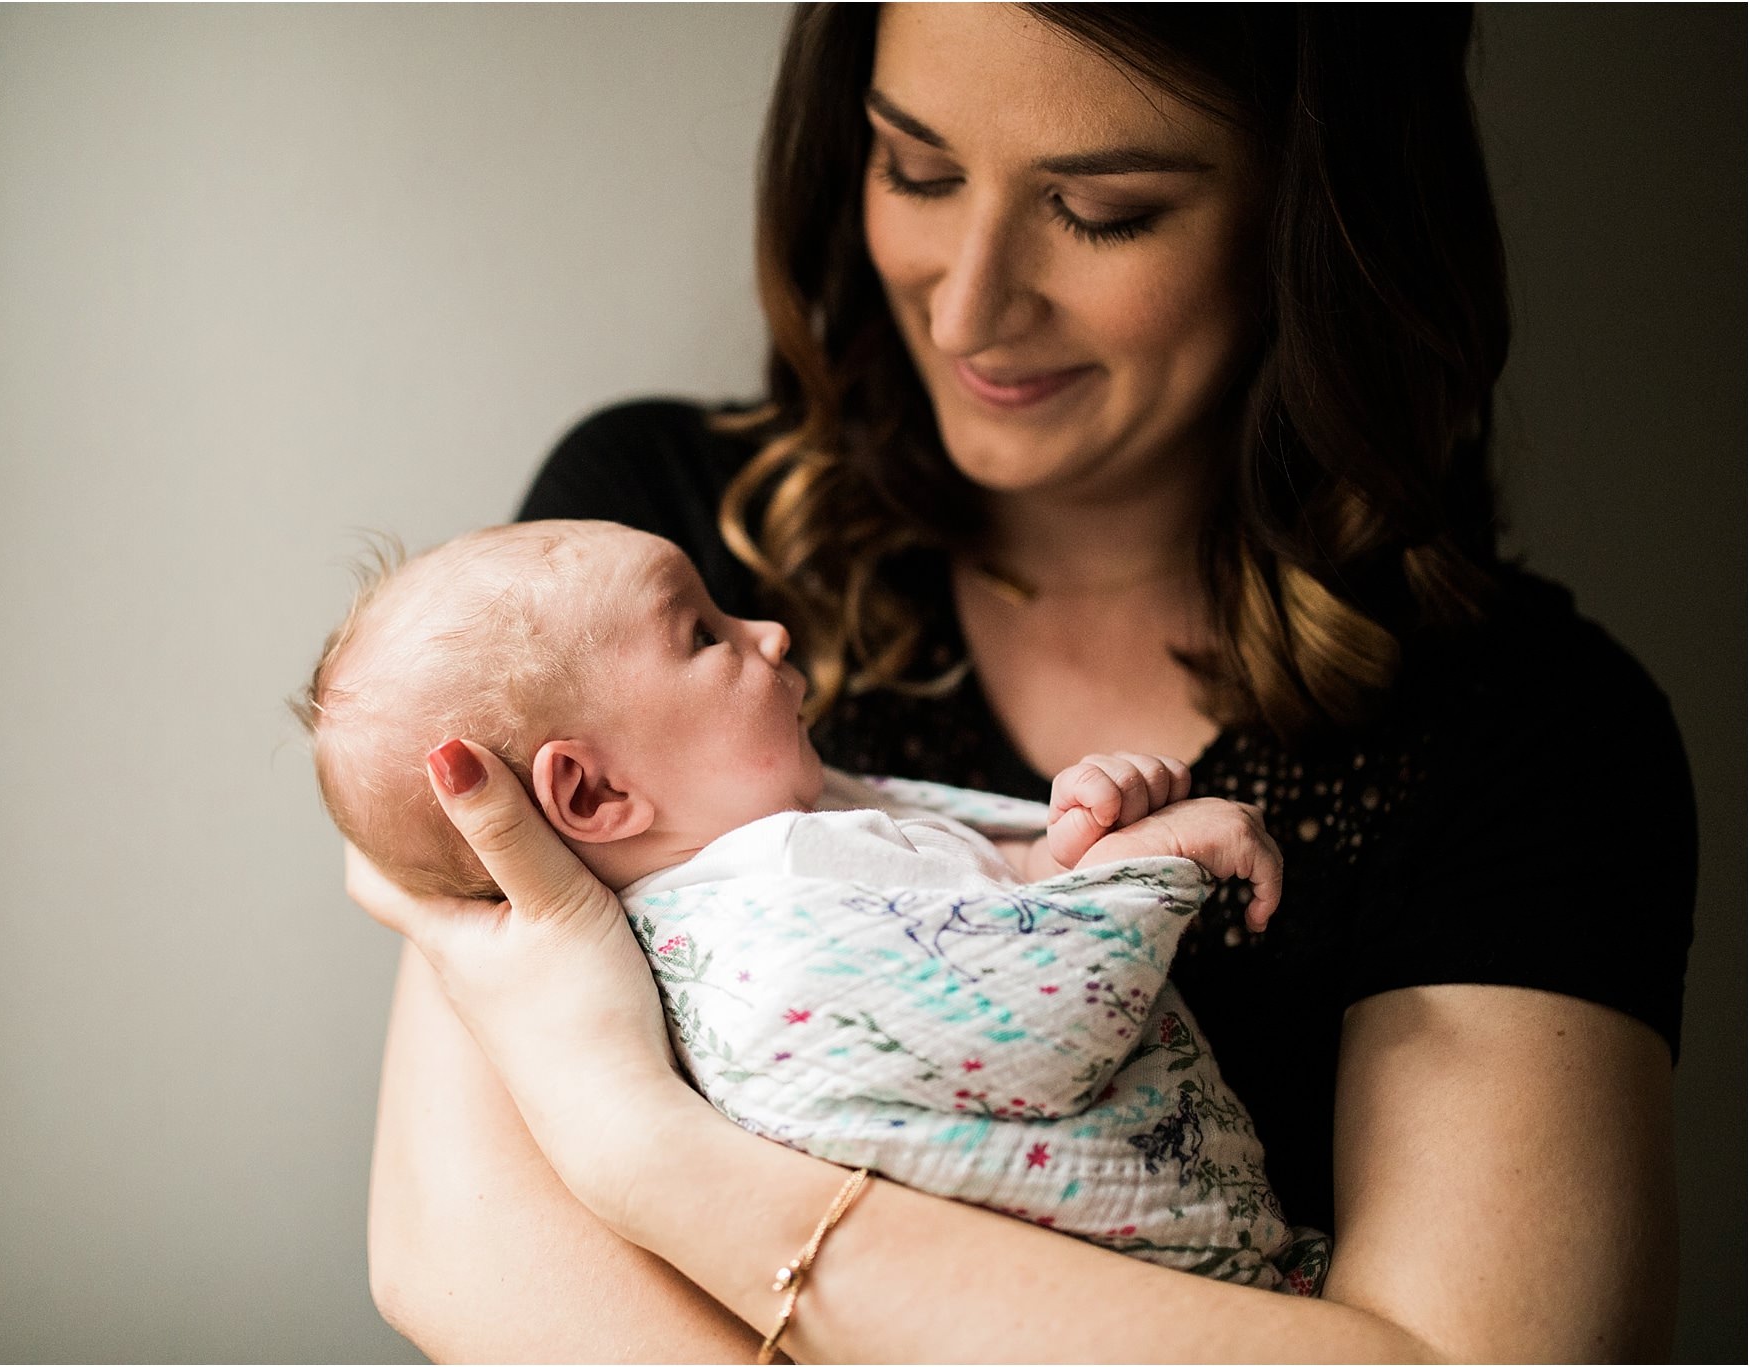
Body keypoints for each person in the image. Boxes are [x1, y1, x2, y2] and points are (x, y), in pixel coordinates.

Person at [352, 6, 1692, 1359]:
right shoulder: (627, 558)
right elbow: (455, 1255)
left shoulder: (1533, 734)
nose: (969, 303)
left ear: (1310, 217)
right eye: (917, 171)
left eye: (1103, 210)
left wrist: (631, 1136)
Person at [297, 517, 1318, 1287]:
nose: (771, 632)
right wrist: (1142, 869)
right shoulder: (775, 928)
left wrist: (1063, 847)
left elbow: (969, 886)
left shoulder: (779, 851)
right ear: (594, 793)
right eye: (703, 632)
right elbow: (1048, 1016)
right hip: (1164, 1280)